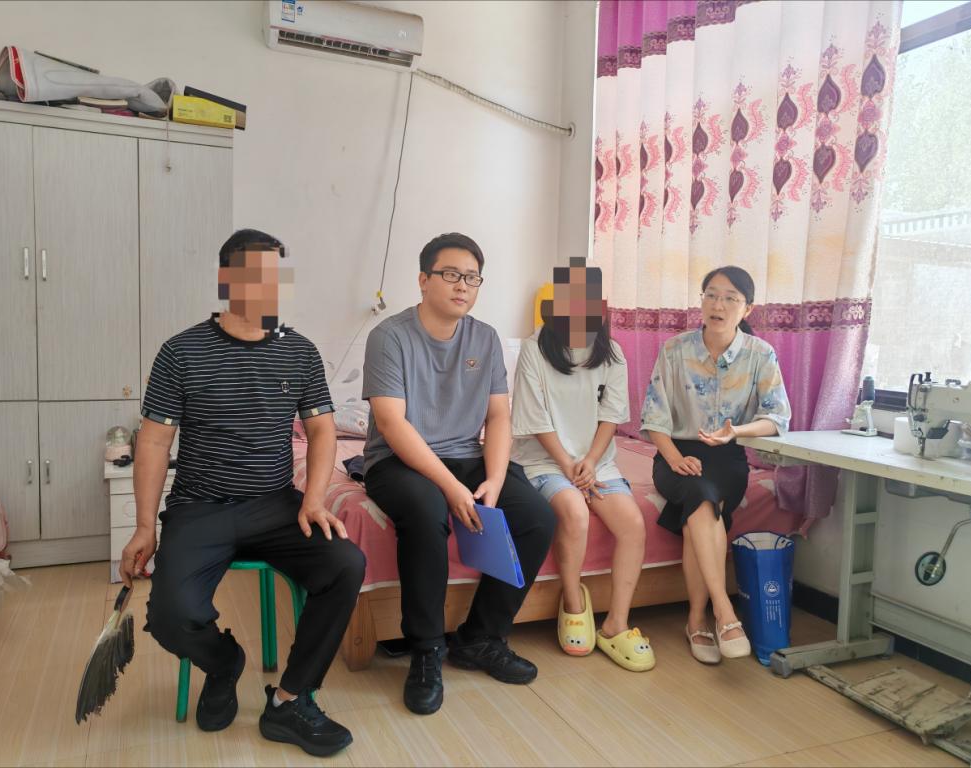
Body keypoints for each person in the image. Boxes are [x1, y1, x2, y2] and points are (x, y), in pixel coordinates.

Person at [120, 229, 364, 757]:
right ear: (226, 280)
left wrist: (313, 500)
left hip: (276, 507)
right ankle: (225, 663)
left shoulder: (299, 352)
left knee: (345, 563)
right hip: (199, 509)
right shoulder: (181, 352)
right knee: (170, 614)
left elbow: (322, 430)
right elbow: (155, 440)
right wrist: (143, 526)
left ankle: (290, 701)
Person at [362, 232, 556, 715]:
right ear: (423, 279)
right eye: (450, 274)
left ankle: (480, 638)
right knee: (427, 510)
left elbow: (499, 416)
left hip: (467, 455)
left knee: (536, 516)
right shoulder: (389, 336)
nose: (462, 285)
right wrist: (451, 488)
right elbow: (391, 423)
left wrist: (494, 479)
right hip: (398, 458)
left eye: (471, 277)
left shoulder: (485, 338)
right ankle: (427, 648)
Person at [641, 265, 790, 664]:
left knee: (701, 508)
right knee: (701, 499)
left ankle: (696, 619)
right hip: (675, 453)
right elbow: (654, 417)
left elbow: (777, 418)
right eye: (711, 295)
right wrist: (674, 457)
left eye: (730, 298)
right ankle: (723, 612)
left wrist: (735, 431)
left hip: (728, 456)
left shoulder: (760, 354)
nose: (718, 305)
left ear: (747, 309)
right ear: (702, 300)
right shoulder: (675, 349)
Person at [511, 258, 655, 672]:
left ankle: (616, 623)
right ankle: (573, 601)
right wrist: (570, 466)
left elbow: (612, 415)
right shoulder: (534, 348)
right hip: (545, 460)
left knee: (633, 524)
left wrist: (590, 461)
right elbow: (535, 418)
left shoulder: (612, 353)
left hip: (596, 462)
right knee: (574, 512)